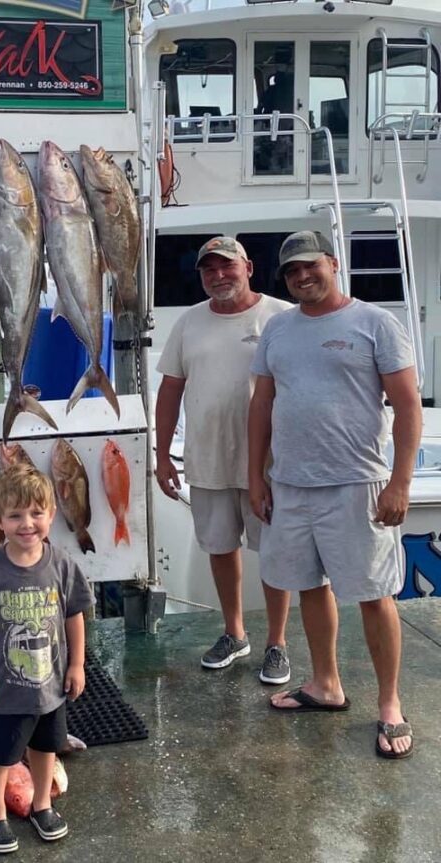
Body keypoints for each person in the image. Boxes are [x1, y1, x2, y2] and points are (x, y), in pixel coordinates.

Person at [248, 230, 421, 759]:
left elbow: (408, 406)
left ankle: (389, 704)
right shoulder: (277, 329)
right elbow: (261, 408)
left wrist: (399, 482)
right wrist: (257, 477)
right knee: (307, 586)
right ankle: (326, 684)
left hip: (357, 483)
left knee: (373, 594)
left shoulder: (374, 323)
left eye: (310, 266)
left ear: (332, 262)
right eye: (292, 272)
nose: (302, 277)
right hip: (291, 486)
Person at [155, 236, 293, 683]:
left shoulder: (281, 317)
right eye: (208, 269)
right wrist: (162, 455)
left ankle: (278, 642)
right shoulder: (189, 322)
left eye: (226, 267)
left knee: (273, 552)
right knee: (220, 547)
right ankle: (234, 632)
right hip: (207, 458)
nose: (218, 276)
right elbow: (170, 390)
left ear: (248, 267)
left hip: (271, 464)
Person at [0, 465, 94, 854]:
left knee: (46, 747)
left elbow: (74, 616)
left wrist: (77, 664)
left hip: (49, 688)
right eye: (15, 515)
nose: (27, 523)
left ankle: (41, 804)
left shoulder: (63, 564)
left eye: (36, 513)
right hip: (5, 692)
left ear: (51, 515)